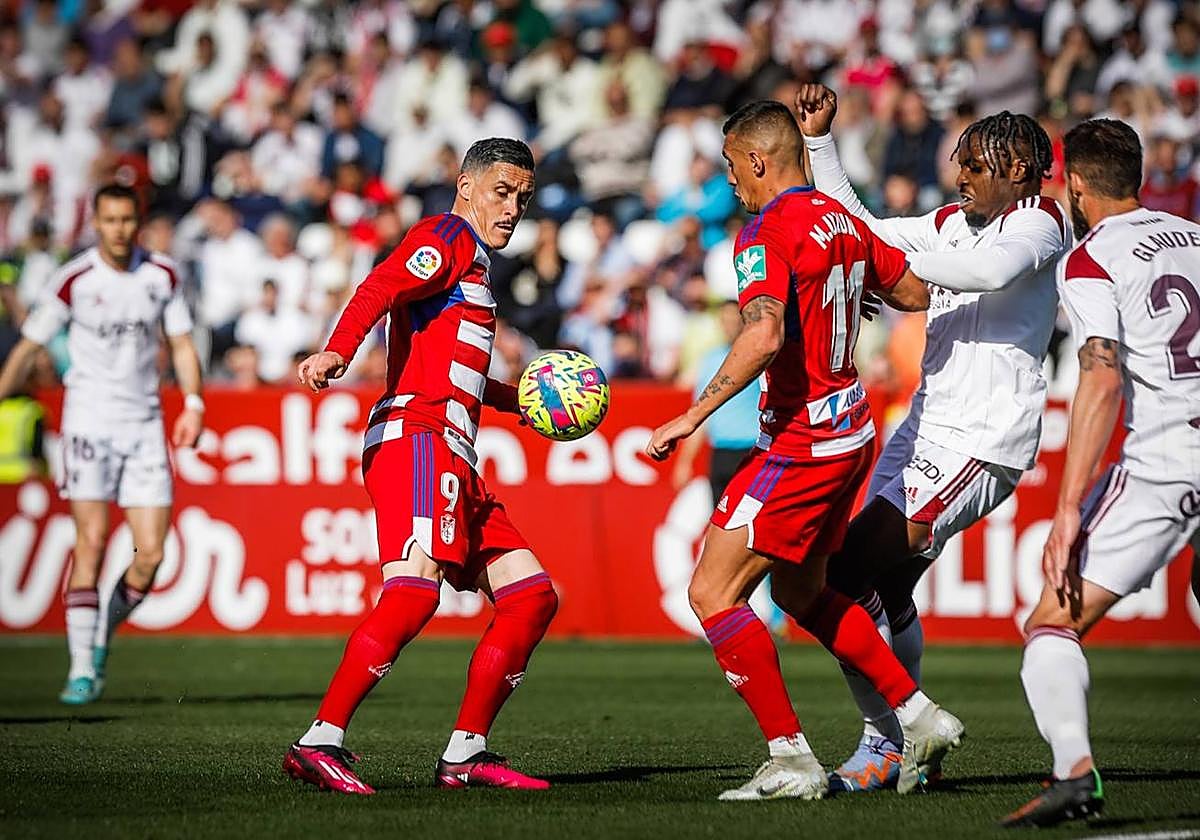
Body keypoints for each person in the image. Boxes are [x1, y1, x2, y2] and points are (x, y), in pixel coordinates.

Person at [645, 100, 962, 802]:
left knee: (711, 591)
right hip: (851, 429)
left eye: (732, 166)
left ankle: (789, 757)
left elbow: (762, 335)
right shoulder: (841, 219)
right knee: (799, 590)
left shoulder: (764, 230)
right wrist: (844, 295)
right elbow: (911, 290)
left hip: (804, 438)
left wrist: (691, 415)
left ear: (758, 161)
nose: (730, 180)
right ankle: (919, 714)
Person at [796, 84, 1071, 792]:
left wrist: (889, 269)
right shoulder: (951, 220)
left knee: (845, 574)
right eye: (961, 163)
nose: (962, 177)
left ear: (1019, 169)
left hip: (979, 440)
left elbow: (988, 273)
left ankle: (886, 741)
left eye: (976, 165)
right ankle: (906, 745)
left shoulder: (1041, 220)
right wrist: (821, 145)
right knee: (888, 586)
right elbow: (865, 228)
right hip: (925, 424)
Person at [285, 138, 556, 795]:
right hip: (418, 437)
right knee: (414, 588)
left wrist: (523, 401)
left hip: (456, 448)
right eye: (501, 190)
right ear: (465, 185)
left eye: (522, 196)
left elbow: (459, 376)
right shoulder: (447, 234)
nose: (513, 206)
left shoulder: (477, 266)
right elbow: (382, 281)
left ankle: (466, 754)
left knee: (531, 597)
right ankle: (320, 740)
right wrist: (338, 352)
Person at [1000, 119, 1200, 827]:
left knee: (1052, 622)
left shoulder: (1089, 260)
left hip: (1166, 464)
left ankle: (1074, 770)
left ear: (1075, 185)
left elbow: (1102, 378)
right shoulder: (1197, 239)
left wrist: (1067, 507)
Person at [0, 183, 204, 704]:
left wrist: (194, 403)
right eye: (109, 220)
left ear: (138, 222)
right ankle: (80, 668)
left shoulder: (161, 275)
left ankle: (99, 635)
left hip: (144, 425)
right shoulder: (73, 281)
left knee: (151, 554)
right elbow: (29, 347)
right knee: (90, 540)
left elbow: (181, 344)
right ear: (95, 222)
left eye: (126, 220)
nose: (118, 229)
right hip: (89, 421)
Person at [671, 300, 760, 507]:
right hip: (720, 452)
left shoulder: (758, 355)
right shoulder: (711, 360)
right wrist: (684, 461)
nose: (729, 325)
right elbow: (701, 412)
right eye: (724, 320)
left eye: (733, 319)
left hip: (751, 450)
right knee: (719, 522)